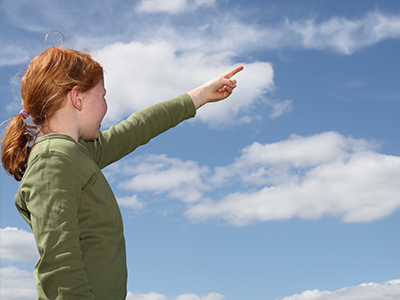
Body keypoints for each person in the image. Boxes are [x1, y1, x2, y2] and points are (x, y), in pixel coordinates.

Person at [0, 45, 243, 299]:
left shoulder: (80, 153)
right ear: (77, 98)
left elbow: (138, 127)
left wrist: (200, 95)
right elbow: (60, 264)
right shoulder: (54, 158)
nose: (106, 106)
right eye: (103, 95)